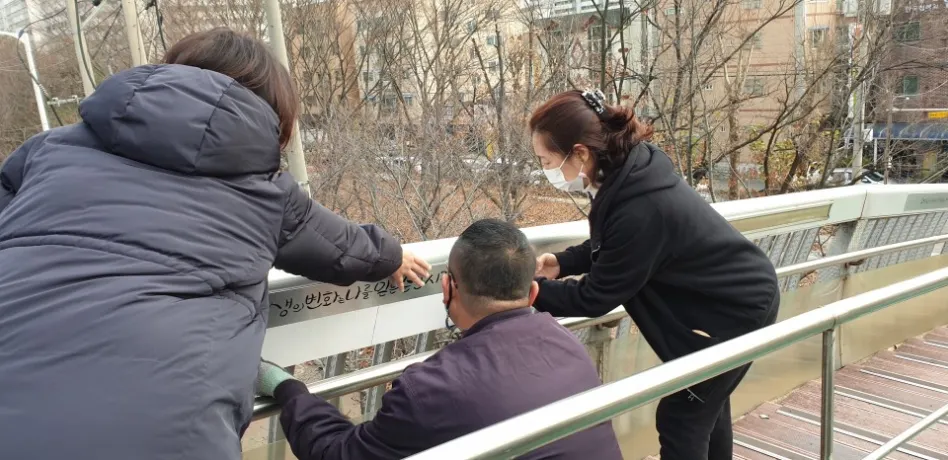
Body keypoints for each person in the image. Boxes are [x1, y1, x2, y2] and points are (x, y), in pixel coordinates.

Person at [0, 28, 429, 460]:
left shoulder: (48, 150)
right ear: (272, 111)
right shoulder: (262, 190)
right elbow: (343, 248)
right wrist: (393, 256)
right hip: (170, 432)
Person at [528, 90, 780, 460]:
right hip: (734, 297)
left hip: (733, 311)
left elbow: (594, 297)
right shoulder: (629, 176)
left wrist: (531, 291)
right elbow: (619, 248)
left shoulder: (639, 205)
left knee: (683, 414)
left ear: (580, 153)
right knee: (707, 405)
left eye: (547, 161)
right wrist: (563, 263)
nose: (546, 171)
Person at [255, 218, 623, 460]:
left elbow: (340, 454)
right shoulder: (568, 346)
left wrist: (288, 389)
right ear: (532, 293)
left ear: (447, 287)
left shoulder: (429, 389)